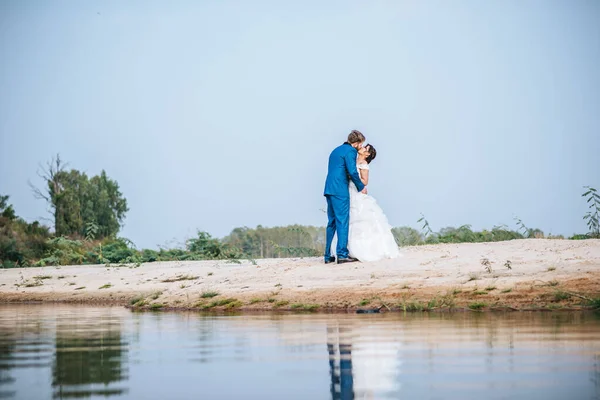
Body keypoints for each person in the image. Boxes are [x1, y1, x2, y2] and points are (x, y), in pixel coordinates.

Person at [345, 144, 401, 262]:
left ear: (367, 154)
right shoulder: (352, 160)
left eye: (366, 148)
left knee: (362, 218)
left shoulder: (363, 165)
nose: (363, 147)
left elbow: (365, 182)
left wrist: (354, 177)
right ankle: (350, 250)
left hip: (357, 192)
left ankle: (364, 249)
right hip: (348, 191)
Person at [323, 130, 367, 264]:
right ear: (357, 143)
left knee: (332, 222)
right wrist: (361, 186)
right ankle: (342, 254)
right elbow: (352, 171)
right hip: (340, 189)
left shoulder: (336, 150)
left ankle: (327, 255)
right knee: (342, 220)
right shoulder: (350, 151)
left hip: (329, 188)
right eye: (361, 144)